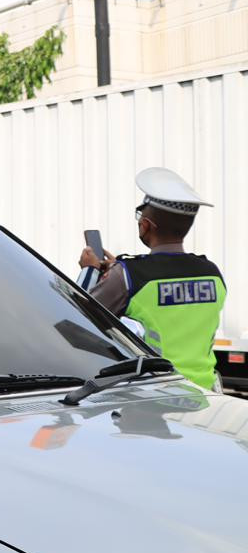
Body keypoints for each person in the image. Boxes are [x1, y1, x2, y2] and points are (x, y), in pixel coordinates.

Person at [79, 167, 226, 390]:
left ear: (146, 225)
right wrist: (117, 271)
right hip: (204, 393)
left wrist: (90, 271)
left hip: (155, 397)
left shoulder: (129, 275)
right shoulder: (212, 273)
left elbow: (77, 318)